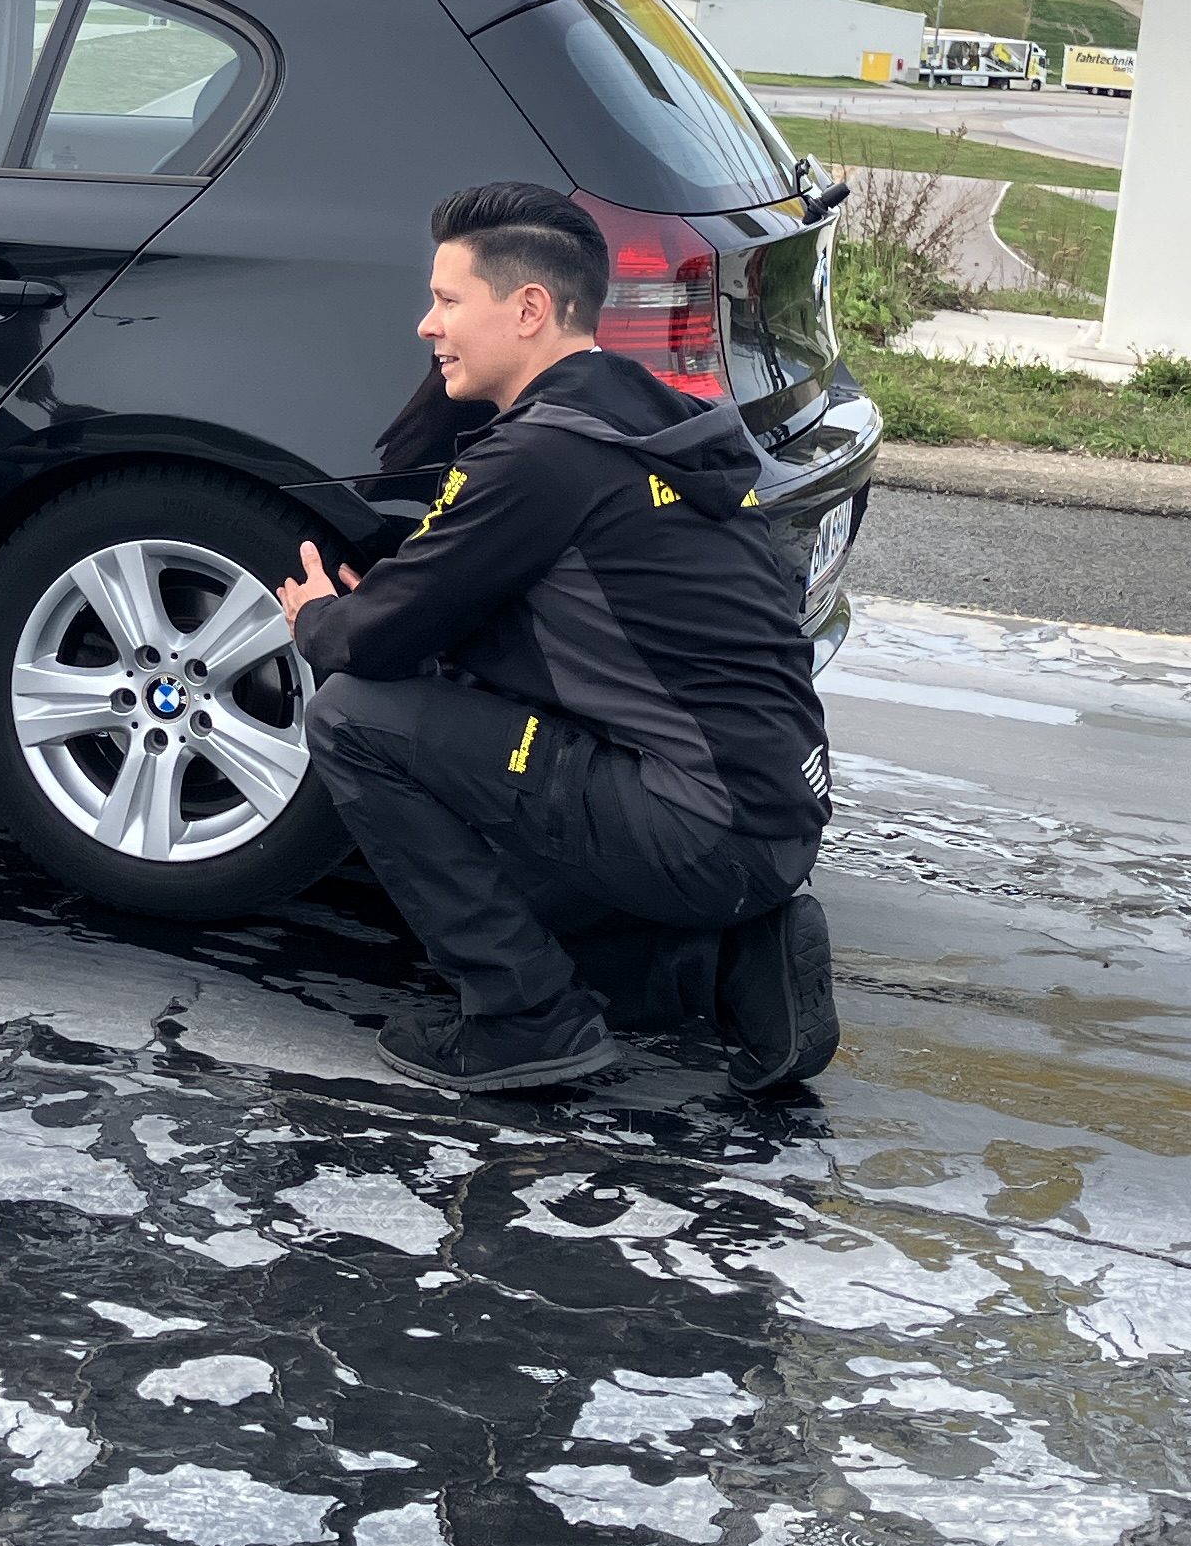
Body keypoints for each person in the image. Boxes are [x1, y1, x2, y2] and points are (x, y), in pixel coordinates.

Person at [284, 181, 836, 1094]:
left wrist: (317, 618)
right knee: (482, 760)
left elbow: (372, 643)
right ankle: (726, 966)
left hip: (700, 828)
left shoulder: (542, 456)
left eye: (449, 300)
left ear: (529, 309)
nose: (428, 325)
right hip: (774, 815)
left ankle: (525, 1020)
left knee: (355, 719)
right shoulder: (640, 412)